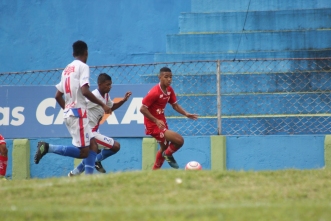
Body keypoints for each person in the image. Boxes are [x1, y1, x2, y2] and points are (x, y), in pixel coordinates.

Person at [34, 40, 112, 175]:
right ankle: (48, 147)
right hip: (79, 113)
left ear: (73, 53)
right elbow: (85, 90)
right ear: (86, 52)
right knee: (84, 152)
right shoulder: (83, 66)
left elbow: (57, 96)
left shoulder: (66, 70)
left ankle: (88, 178)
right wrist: (102, 104)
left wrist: (68, 109)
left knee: (93, 145)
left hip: (70, 113)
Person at [68, 73, 132, 176]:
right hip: (89, 132)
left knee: (93, 154)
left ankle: (74, 173)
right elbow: (79, 106)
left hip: (95, 130)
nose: (109, 87)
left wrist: (124, 100)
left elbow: (111, 107)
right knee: (116, 146)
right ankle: (96, 161)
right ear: (99, 84)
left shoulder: (106, 95)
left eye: (110, 84)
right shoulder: (94, 96)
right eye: (107, 84)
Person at [140, 67, 198, 169]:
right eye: (166, 77)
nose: (169, 79)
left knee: (165, 147)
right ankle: (167, 155)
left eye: (171, 77)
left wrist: (186, 113)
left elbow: (175, 105)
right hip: (153, 125)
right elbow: (142, 109)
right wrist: (156, 120)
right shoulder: (155, 92)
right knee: (179, 140)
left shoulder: (169, 90)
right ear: (160, 77)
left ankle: (154, 174)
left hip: (161, 122)